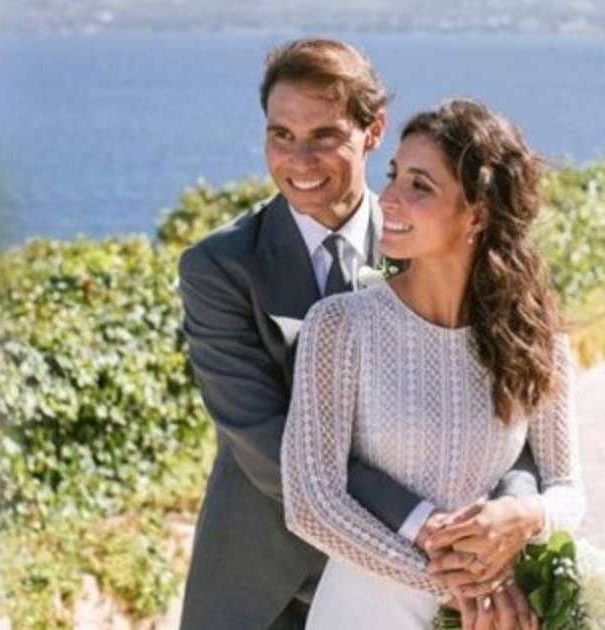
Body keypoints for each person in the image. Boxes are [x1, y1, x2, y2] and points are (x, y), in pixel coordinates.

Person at [178, 39, 544, 630]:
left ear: (373, 132)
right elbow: (269, 444)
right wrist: (430, 534)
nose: (299, 160)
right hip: (265, 588)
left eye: (324, 135)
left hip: (413, 590)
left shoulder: (432, 241)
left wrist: (508, 517)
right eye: (281, 135)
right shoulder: (219, 267)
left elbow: (509, 414)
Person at [281, 98, 587, 630]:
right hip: (370, 609)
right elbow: (311, 502)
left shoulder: (535, 336)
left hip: (487, 613)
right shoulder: (340, 325)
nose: (388, 199)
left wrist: (524, 515)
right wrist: (458, 585)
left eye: (420, 186)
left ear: (478, 213)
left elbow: (568, 490)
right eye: (394, 176)